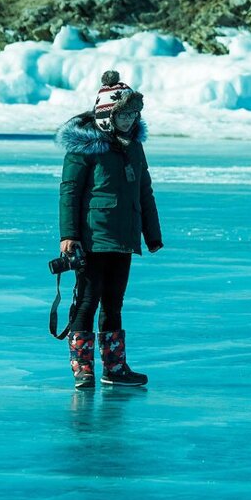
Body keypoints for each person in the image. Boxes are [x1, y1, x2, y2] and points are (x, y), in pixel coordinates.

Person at [56, 70, 163, 389]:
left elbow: (144, 189)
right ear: (107, 116)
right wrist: (68, 235)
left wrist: (151, 233)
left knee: (114, 302)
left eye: (134, 114)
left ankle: (114, 367)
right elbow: (69, 191)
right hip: (92, 238)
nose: (130, 120)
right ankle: (82, 366)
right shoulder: (84, 147)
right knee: (88, 300)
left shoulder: (133, 146)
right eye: (124, 114)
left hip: (123, 237)